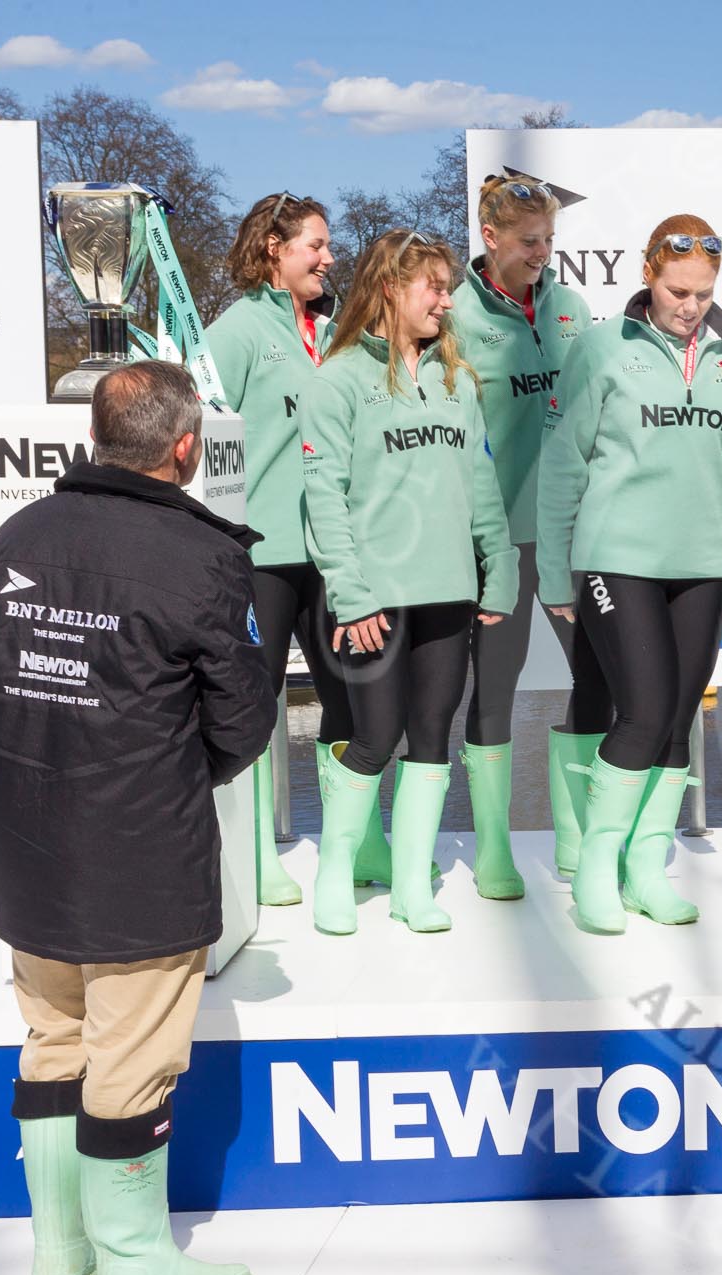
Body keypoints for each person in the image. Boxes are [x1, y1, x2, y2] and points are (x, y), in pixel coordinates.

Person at [0, 360, 268, 1275]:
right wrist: (181, 777)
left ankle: (59, 1255)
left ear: (95, 435)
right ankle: (132, 1261)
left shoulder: (21, 531)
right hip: (139, 852)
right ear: (185, 448)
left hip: (26, 844)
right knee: (132, 1058)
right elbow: (245, 720)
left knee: (53, 1039)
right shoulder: (201, 555)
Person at [539, 213, 722, 933]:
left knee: (676, 721)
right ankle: (597, 874)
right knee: (639, 711)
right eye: (678, 290)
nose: (690, 306)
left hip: (700, 566)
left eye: (703, 292)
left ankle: (647, 867)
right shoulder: (602, 348)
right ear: (648, 274)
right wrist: (555, 574)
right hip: (618, 559)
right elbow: (563, 461)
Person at [302, 229, 517, 936]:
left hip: (449, 592)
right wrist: (351, 592)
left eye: (450, 288)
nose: (447, 302)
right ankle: (334, 876)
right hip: (375, 597)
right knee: (374, 736)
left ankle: (408, 890)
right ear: (391, 287)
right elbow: (323, 497)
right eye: (435, 287)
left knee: (431, 733)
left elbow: (481, 484)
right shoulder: (337, 381)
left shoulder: (457, 378)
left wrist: (501, 566)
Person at [210, 191, 408, 906]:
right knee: (258, 706)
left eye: (328, 248)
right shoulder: (236, 331)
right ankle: (258, 853)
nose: (329, 259)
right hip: (261, 555)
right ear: (273, 247)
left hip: (335, 551)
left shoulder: (335, 333)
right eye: (315, 247)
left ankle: (359, 843)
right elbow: (204, 438)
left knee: (351, 695)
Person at [452, 174, 594, 897]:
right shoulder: (455, 317)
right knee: (494, 690)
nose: (543, 253)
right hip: (496, 540)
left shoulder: (571, 308)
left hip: (572, 535)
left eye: (550, 241)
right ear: (491, 238)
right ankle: (494, 850)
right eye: (529, 242)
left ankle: (577, 843)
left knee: (597, 679)